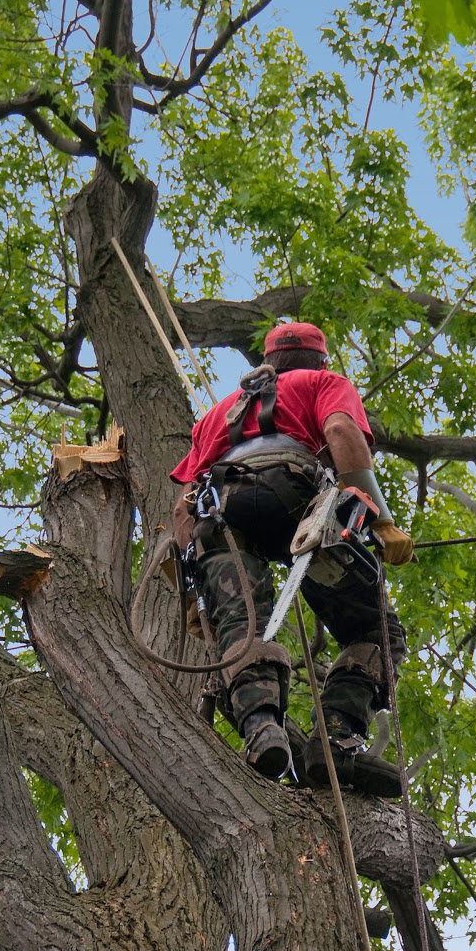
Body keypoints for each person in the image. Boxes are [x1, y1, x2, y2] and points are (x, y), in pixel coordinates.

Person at [170, 321, 413, 793]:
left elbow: (182, 504)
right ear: (319, 360)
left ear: (269, 361)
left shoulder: (218, 413)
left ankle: (262, 729)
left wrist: (195, 598)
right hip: (295, 502)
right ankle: (337, 740)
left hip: (221, 516)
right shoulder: (324, 383)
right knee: (375, 630)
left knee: (241, 625)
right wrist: (380, 520)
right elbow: (340, 429)